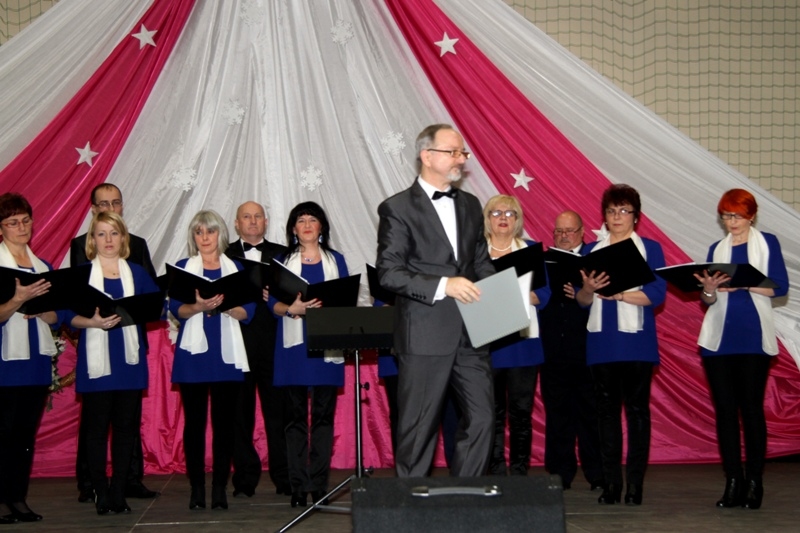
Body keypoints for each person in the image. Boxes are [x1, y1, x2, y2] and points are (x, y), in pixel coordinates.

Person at [376, 123, 496, 478]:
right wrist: (445, 285)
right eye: (453, 152)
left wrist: (498, 294)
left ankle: (466, 497)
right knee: (419, 427)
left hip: (472, 332)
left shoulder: (471, 205)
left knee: (484, 418)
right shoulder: (397, 207)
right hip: (425, 333)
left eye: (463, 152)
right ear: (426, 156)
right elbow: (389, 273)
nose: (461, 158)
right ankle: (410, 501)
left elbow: (480, 262)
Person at [694, 189, 788, 510]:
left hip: (752, 337)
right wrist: (709, 290)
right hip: (718, 339)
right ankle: (733, 479)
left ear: (751, 216)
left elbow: (781, 286)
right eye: (726, 216)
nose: (731, 222)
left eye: (737, 216)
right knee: (725, 411)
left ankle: (754, 481)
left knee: (750, 409)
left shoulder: (767, 243)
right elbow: (708, 300)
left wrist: (745, 283)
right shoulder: (716, 249)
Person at [576, 184, 666, 506]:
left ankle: (635, 484)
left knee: (638, 413)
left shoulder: (650, 249)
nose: (617, 217)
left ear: (636, 217)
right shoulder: (590, 251)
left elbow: (657, 295)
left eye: (624, 211)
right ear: (604, 215)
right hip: (601, 342)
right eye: (612, 211)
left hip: (637, 342)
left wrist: (622, 294)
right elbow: (582, 301)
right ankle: (612, 483)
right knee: (606, 415)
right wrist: (588, 289)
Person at [70, 183, 158, 503]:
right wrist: (92, 322)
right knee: (95, 431)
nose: (108, 240)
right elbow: (67, 316)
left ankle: (119, 493)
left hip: (128, 360)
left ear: (124, 238)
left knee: (124, 430)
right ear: (92, 239)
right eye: (101, 234)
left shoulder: (137, 273)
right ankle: (100, 493)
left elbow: (156, 308)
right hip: (97, 362)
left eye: (114, 234)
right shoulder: (81, 275)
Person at [169, 210, 255, 511]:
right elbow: (176, 309)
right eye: (199, 232)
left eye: (210, 231)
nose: (205, 237)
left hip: (226, 357)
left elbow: (248, 312)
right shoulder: (183, 268)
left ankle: (219, 488)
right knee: (194, 425)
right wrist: (198, 306)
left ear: (221, 234)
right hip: (193, 357)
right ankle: (196, 489)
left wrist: (225, 306)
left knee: (225, 426)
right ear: (193, 237)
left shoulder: (237, 269)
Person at [268, 201, 349, 508]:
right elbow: (271, 305)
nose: (306, 225)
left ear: (321, 227)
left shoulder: (336, 260)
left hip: (327, 347)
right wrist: (291, 308)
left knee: (324, 420)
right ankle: (298, 486)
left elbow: (345, 300)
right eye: (300, 220)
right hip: (293, 350)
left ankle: (319, 485)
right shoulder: (281, 261)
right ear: (293, 228)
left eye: (312, 220)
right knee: (295, 421)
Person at [0, 193, 62, 523]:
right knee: (3, 433)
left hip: (36, 361)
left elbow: (56, 317)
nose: (21, 227)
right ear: (0, 229)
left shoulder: (43, 267)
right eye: (13, 223)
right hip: (5, 362)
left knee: (24, 435)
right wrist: (18, 300)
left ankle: (17, 497)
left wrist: (45, 311)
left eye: (25, 220)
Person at [224, 201, 290, 498]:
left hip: (275, 344)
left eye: (258, 216)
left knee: (279, 414)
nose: (252, 221)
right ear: (236, 223)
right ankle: (244, 479)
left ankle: (285, 477)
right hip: (236, 344)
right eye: (246, 217)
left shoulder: (284, 254)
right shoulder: (223, 255)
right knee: (239, 414)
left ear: (266, 222)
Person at [482, 195, 550, 476]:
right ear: (487, 219)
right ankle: (496, 471)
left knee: (521, 412)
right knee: (492, 413)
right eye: (496, 212)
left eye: (510, 213)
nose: (503, 218)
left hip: (523, 344)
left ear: (518, 220)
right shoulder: (475, 253)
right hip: (488, 344)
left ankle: (520, 470)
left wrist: (509, 291)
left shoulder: (531, 251)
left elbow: (544, 295)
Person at [539, 211, 604, 490]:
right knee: (557, 414)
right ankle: (559, 473)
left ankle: (597, 473)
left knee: (592, 414)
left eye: (569, 231)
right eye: (559, 231)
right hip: (552, 349)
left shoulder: (595, 260)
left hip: (588, 349)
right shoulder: (542, 261)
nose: (564, 236)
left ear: (582, 232)